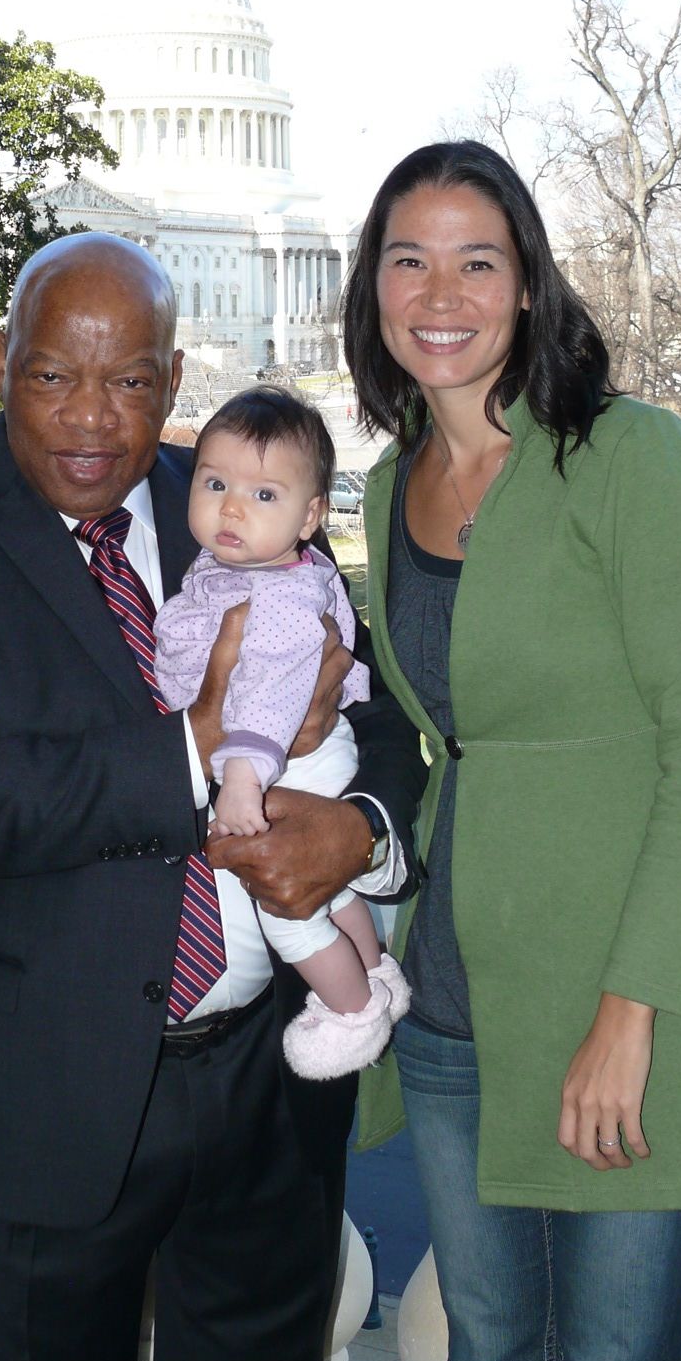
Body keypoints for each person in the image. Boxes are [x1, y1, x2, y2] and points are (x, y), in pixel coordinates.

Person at [0, 230, 429, 1361]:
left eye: (129, 382)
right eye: (53, 374)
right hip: (46, 1094)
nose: (91, 417)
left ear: (172, 379)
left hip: (267, 1079)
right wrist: (193, 747)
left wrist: (359, 831)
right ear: (3, 358)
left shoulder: (238, 495)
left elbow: (378, 716)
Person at [340, 140, 681, 1361]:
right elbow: (430, 734)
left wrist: (627, 1015)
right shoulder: (392, 481)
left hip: (628, 999)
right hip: (453, 1002)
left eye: (476, 261)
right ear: (371, 284)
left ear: (527, 285)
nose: (439, 294)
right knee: (489, 1343)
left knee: (617, 1349)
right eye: (408, 259)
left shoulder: (630, 456)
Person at [152, 387, 410, 1079]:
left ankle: (353, 1010)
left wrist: (241, 779)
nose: (232, 508)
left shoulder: (281, 595)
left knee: (288, 910)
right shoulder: (250, 565)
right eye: (215, 485)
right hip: (286, 760)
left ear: (311, 516)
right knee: (333, 891)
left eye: (264, 495)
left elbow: (270, 696)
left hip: (279, 764)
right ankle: (376, 974)